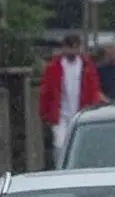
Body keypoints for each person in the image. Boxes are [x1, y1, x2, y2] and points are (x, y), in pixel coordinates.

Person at [37, 33, 104, 166]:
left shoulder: (87, 67)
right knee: (60, 145)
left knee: (82, 145)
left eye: (75, 47)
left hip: (82, 112)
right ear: (64, 48)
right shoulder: (54, 67)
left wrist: (94, 108)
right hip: (60, 114)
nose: (72, 51)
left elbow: (93, 90)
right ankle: (60, 169)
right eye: (70, 48)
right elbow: (46, 92)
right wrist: (45, 113)